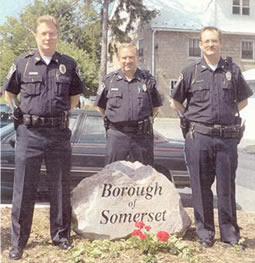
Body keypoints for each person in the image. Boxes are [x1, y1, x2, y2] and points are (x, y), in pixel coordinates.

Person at [4, 15, 84, 260]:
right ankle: (18, 242)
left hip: (58, 134)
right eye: (43, 34)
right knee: (24, 190)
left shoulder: (68, 65)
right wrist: (17, 109)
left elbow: (75, 96)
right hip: (29, 134)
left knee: (60, 187)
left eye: (52, 33)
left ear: (57, 35)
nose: (48, 37)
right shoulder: (23, 63)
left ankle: (61, 236)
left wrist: (62, 113)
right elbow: (9, 91)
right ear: (36, 36)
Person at [170, 26, 253, 248]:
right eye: (206, 41)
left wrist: (225, 112)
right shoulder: (191, 71)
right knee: (200, 186)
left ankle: (229, 234)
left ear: (220, 43)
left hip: (226, 138)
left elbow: (243, 100)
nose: (210, 45)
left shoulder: (232, 70)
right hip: (200, 137)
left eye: (214, 41)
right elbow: (175, 101)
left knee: (226, 187)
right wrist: (190, 121)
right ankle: (205, 233)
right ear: (200, 44)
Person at [96, 43, 162, 166]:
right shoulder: (109, 80)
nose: (128, 61)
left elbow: (156, 106)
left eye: (131, 57)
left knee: (143, 177)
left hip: (141, 136)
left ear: (137, 58)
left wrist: (144, 122)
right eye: (124, 58)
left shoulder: (147, 80)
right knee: (113, 175)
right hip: (117, 136)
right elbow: (100, 107)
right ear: (118, 59)